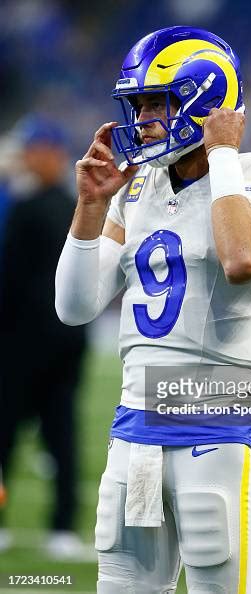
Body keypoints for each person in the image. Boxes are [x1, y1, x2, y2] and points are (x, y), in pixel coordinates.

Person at [55, 26, 251, 593]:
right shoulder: (138, 188)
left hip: (216, 429)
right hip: (133, 429)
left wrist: (223, 152)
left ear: (203, 98)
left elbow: (243, 257)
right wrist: (89, 207)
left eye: (157, 102)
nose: (143, 119)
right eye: (139, 105)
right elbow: (75, 307)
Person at [0, 116, 87, 557]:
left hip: (24, 345)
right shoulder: (76, 204)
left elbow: (9, 282)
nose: (27, 158)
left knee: (19, 437)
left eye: (34, 149)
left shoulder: (31, 206)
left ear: (51, 152)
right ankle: (62, 529)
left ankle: (58, 527)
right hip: (63, 344)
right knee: (59, 438)